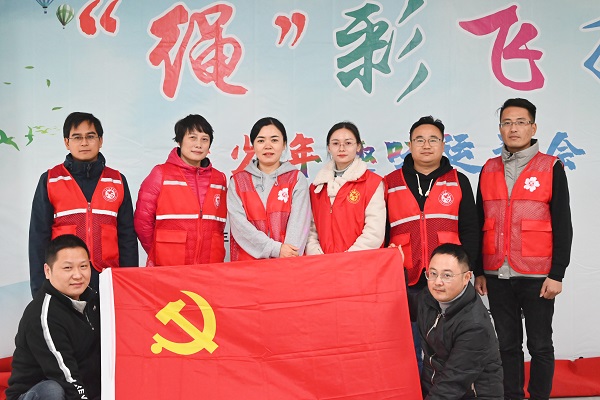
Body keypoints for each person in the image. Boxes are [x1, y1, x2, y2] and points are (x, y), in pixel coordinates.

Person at [475, 98, 572, 399]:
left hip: (538, 275)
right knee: (506, 345)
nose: (513, 128)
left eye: (520, 122)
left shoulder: (550, 167)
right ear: (500, 129)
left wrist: (557, 274)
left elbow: (563, 223)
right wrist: (479, 270)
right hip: (496, 273)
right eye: (507, 123)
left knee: (540, 345)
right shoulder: (488, 169)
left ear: (533, 127)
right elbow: (479, 221)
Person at [384, 116, 479, 371]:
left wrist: (467, 271)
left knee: (450, 345)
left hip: (448, 278)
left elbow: (470, 229)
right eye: (419, 140)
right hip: (406, 278)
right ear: (410, 145)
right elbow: (382, 234)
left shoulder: (458, 180)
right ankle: (415, 389)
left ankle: (449, 389)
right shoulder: (389, 183)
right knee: (409, 348)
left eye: (433, 139)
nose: (426, 145)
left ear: (443, 144)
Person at [28, 112, 138, 297]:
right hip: (65, 278)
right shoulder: (50, 180)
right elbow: (38, 237)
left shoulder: (117, 180)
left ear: (100, 140)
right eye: (77, 137)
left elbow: (127, 236)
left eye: (90, 136)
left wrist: (130, 282)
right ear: (66, 142)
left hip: (107, 278)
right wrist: (40, 290)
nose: (84, 143)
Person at [7, 234, 100, 400]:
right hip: (38, 392)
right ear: (47, 271)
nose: (78, 275)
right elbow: (66, 377)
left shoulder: (94, 300)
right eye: (68, 268)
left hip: (77, 387)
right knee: (52, 390)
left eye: (83, 266)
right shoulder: (43, 316)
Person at [410, 243, 503, 399]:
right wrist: (394, 266)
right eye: (433, 273)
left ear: (467, 277)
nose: (437, 282)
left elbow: (453, 383)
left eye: (447, 275)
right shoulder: (427, 297)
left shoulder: (475, 326)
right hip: (434, 390)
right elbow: (401, 304)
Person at [134, 114, 227, 266]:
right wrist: (160, 252)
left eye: (204, 139)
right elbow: (142, 223)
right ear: (179, 140)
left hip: (210, 265)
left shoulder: (219, 178)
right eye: (192, 138)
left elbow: (219, 225)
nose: (198, 144)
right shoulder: (160, 174)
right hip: (169, 265)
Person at [227, 117, 311, 260]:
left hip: (286, 263)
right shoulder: (238, 182)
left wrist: (286, 254)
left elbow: (299, 224)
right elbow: (240, 227)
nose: (268, 146)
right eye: (261, 141)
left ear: (284, 144)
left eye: (274, 140)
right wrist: (276, 249)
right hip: (247, 264)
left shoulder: (296, 179)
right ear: (253, 145)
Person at [306, 121, 385, 254]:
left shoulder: (373, 183)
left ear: (358, 146)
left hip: (360, 261)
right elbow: (310, 232)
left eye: (348, 143)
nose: (341, 148)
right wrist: (319, 257)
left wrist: (347, 259)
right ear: (328, 148)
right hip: (323, 263)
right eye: (335, 143)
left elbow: (374, 232)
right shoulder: (316, 188)